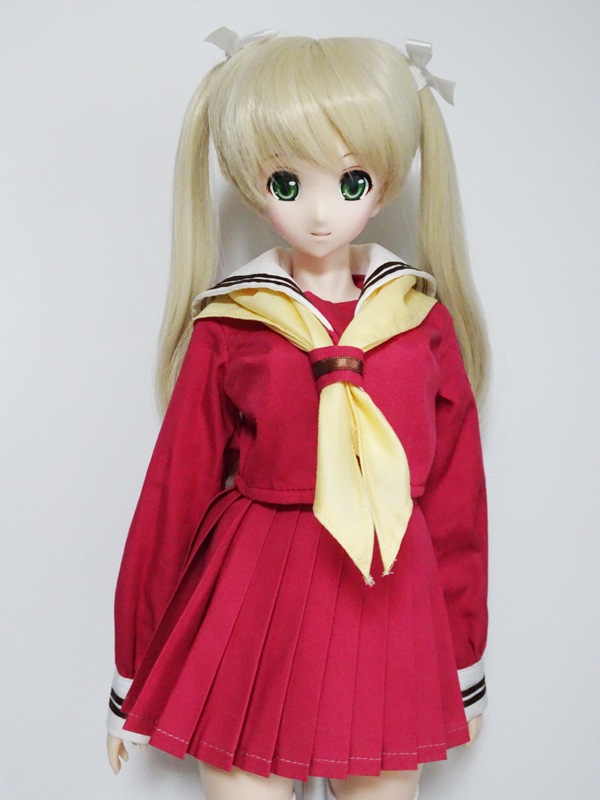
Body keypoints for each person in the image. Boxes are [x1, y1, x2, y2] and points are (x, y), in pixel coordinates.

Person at [106, 29, 489, 800]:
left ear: (387, 180)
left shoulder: (420, 321)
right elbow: (174, 492)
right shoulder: (232, 322)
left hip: (388, 592)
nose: (319, 213)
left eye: (352, 181)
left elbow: (457, 502)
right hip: (255, 598)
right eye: (287, 183)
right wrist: (133, 667)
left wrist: (464, 661)